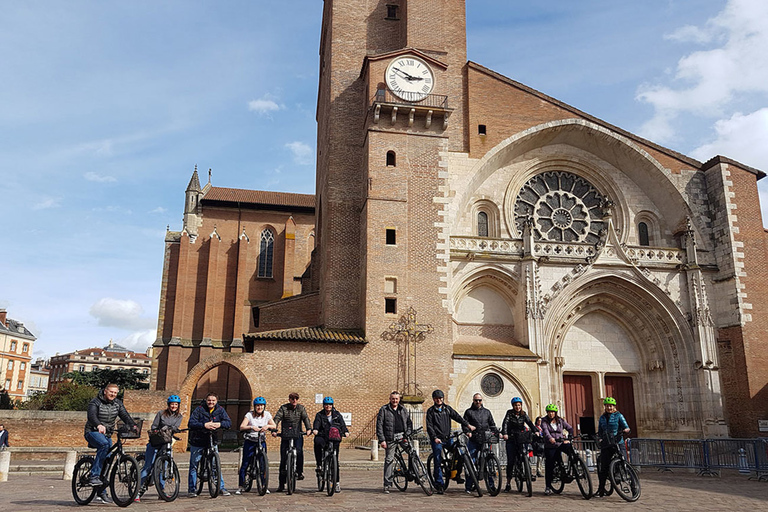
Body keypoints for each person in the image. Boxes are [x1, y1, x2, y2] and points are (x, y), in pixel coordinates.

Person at [83, 383, 137, 504]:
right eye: (111, 392)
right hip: (93, 432)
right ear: (105, 391)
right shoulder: (95, 402)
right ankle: (94, 475)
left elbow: (125, 415)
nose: (113, 394)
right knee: (104, 445)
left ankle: (101, 492)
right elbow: (91, 416)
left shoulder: (117, 403)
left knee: (108, 460)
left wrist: (132, 425)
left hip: (108, 433)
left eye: (115, 393)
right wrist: (98, 425)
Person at [425, 389, 474, 493]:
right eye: (437, 398)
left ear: (443, 399)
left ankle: (456, 474)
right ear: (434, 399)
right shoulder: (431, 411)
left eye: (440, 398)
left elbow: (457, 417)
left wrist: (467, 425)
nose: (439, 400)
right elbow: (429, 426)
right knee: (438, 459)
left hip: (448, 438)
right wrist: (434, 438)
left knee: (459, 453)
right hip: (437, 439)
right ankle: (439, 484)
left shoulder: (447, 409)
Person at [137, 394, 184, 501]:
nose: (173, 406)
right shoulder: (161, 414)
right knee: (148, 466)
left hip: (167, 443)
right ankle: (137, 492)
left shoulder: (179, 416)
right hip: (156, 441)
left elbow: (175, 428)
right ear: (168, 405)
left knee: (163, 468)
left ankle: (161, 491)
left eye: (176, 404)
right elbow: (154, 426)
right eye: (172, 404)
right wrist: (161, 430)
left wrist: (175, 433)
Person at [187, 392, 232, 497]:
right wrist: (204, 425)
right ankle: (192, 489)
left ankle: (221, 487)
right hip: (198, 440)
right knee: (194, 465)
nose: (211, 402)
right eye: (209, 400)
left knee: (215, 465)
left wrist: (219, 424)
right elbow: (191, 423)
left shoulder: (220, 410)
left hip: (212, 440)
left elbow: (228, 422)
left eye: (213, 400)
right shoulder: (199, 409)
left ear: (216, 401)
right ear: (206, 400)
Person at [272, 392, 312, 493]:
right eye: (292, 398)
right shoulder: (283, 408)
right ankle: (281, 484)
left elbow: (305, 418)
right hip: (286, 435)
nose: (294, 400)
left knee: (299, 452)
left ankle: (299, 472)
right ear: (289, 399)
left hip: (297, 434)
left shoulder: (301, 408)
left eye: (296, 398)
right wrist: (274, 429)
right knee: (283, 459)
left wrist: (308, 429)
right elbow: (277, 418)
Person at [236, 396, 276, 495]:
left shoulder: (267, 415)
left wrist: (267, 426)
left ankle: (263, 485)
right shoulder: (249, 415)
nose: (259, 407)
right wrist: (251, 427)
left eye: (261, 406)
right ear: (254, 406)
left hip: (261, 441)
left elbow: (274, 425)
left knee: (263, 464)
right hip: (250, 440)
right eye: (258, 406)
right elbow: (242, 426)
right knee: (245, 463)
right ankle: (241, 485)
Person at [376, 390, 412, 494]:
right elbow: (379, 425)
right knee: (389, 460)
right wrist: (382, 440)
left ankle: (413, 472)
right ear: (390, 399)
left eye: (396, 399)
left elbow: (409, 422)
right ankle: (387, 484)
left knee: (412, 453)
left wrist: (408, 434)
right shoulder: (384, 409)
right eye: (393, 399)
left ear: (399, 399)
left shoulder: (403, 409)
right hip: (390, 438)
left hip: (402, 436)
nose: (394, 400)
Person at [312, 396, 350, 493]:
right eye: (326, 405)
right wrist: (315, 429)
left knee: (335, 461)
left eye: (330, 405)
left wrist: (345, 431)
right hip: (323, 436)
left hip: (334, 438)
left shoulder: (337, 415)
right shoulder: (319, 415)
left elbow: (342, 424)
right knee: (317, 442)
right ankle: (319, 464)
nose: (328, 406)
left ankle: (336, 483)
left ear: (332, 405)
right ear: (323, 405)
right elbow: (317, 423)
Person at [595, 397, 630, 498]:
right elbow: (600, 431)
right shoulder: (602, 418)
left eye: (611, 406)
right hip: (607, 443)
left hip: (618, 441)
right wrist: (600, 438)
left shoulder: (619, 416)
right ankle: (601, 489)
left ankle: (632, 485)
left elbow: (625, 426)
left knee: (624, 462)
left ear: (614, 407)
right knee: (604, 467)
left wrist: (626, 430)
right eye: (607, 406)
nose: (609, 407)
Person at [501, 396, 536, 492]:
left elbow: (530, 423)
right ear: (513, 406)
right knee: (511, 461)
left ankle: (528, 472)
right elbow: (505, 423)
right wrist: (505, 434)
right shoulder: (509, 413)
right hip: (511, 438)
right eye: (516, 405)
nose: (518, 407)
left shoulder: (523, 414)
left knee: (525, 455)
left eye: (519, 405)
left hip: (521, 437)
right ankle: (508, 483)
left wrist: (535, 431)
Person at [462, 393, 496, 493]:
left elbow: (492, 424)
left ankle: (491, 485)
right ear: (473, 400)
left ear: (482, 401)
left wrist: (496, 432)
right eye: (476, 400)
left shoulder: (487, 412)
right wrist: (467, 432)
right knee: (471, 462)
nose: (478, 402)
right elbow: (464, 424)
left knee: (488, 463)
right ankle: (469, 485)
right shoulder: (469, 412)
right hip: (474, 440)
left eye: (480, 400)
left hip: (485, 439)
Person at [540, 403, 574, 495]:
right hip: (550, 445)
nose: (551, 414)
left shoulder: (560, 421)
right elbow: (545, 431)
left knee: (570, 449)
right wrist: (550, 438)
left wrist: (569, 437)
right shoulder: (544, 421)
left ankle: (575, 466)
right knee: (549, 465)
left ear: (555, 413)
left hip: (560, 443)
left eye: (553, 412)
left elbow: (569, 428)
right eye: (549, 412)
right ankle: (548, 486)